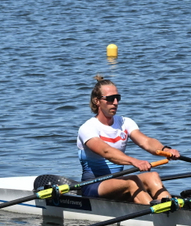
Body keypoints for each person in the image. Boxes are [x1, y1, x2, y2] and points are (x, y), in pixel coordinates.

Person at [76, 76, 181, 204]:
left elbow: (146, 142)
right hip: (94, 185)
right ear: (97, 101)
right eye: (110, 99)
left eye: (117, 98)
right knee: (132, 181)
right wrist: (134, 161)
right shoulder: (87, 128)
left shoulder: (125, 122)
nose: (115, 102)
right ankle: (156, 217)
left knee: (153, 176)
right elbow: (106, 151)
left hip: (119, 182)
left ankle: (171, 209)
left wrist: (165, 150)